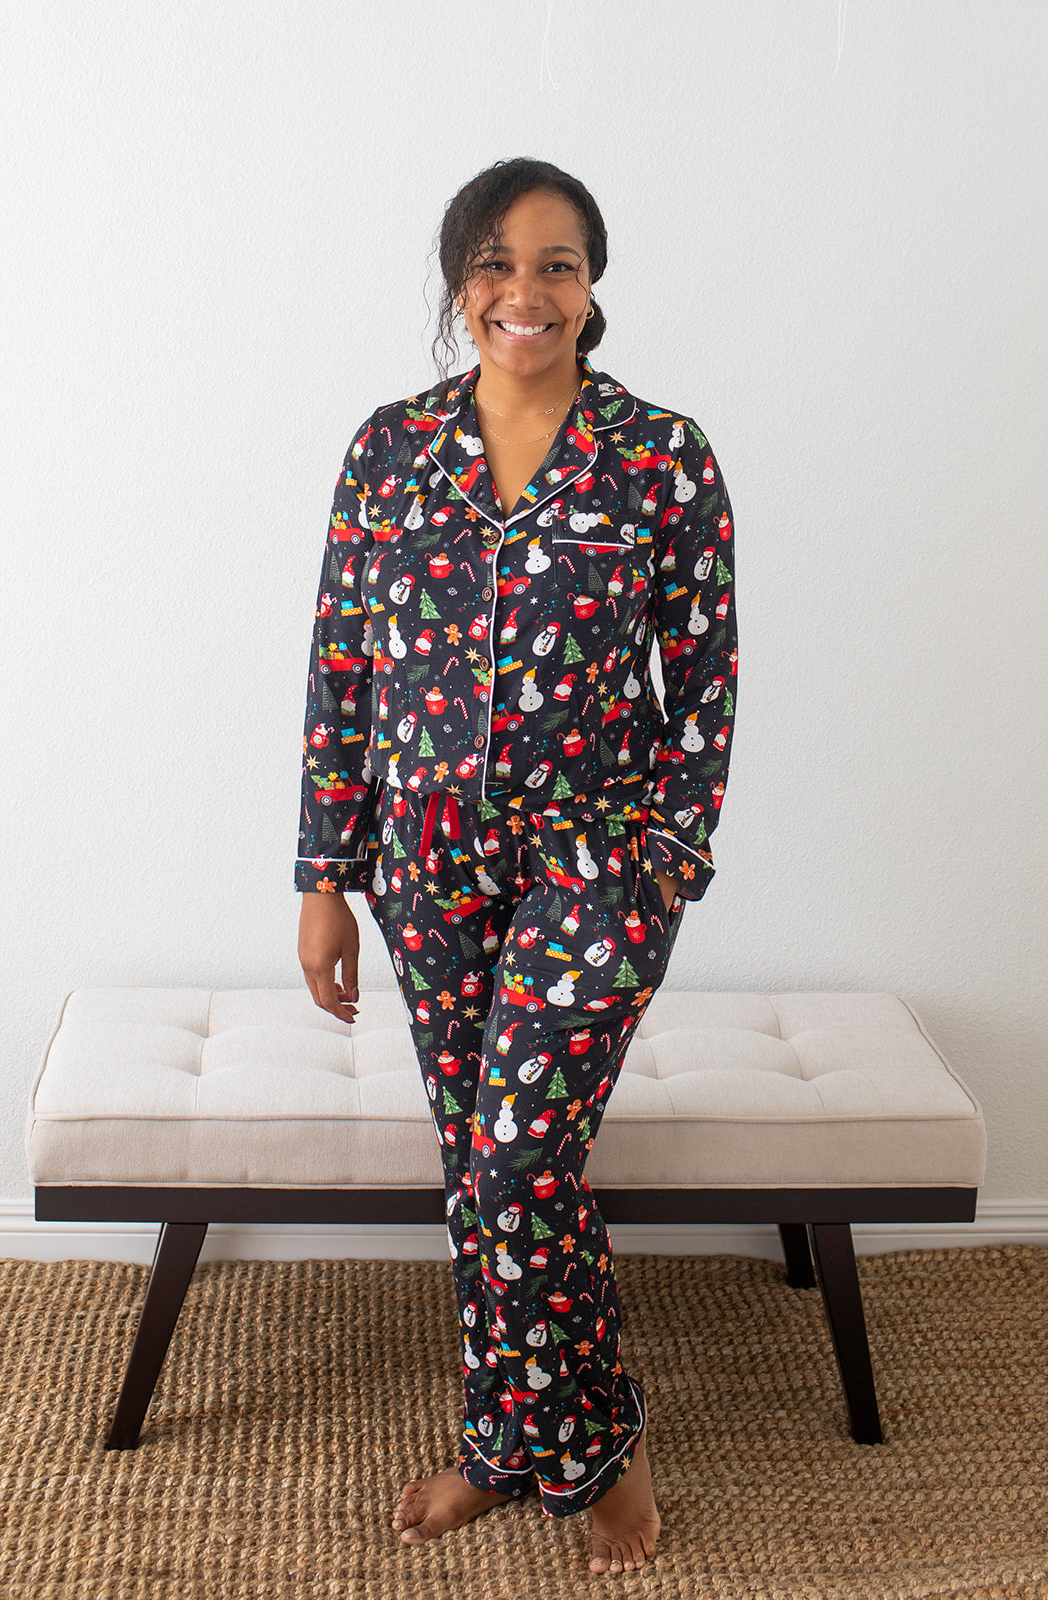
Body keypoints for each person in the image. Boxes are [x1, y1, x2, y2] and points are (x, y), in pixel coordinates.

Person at [296, 157, 737, 1577]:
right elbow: (346, 668)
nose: (522, 292)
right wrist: (324, 869)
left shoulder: (662, 456)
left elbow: (707, 684)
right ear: (457, 285)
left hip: (595, 868)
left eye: (555, 263)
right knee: (475, 1170)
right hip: (424, 867)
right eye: (493, 264)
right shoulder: (388, 451)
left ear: (594, 285)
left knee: (518, 1163)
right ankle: (503, 1440)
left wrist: (667, 857)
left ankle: (603, 1445)